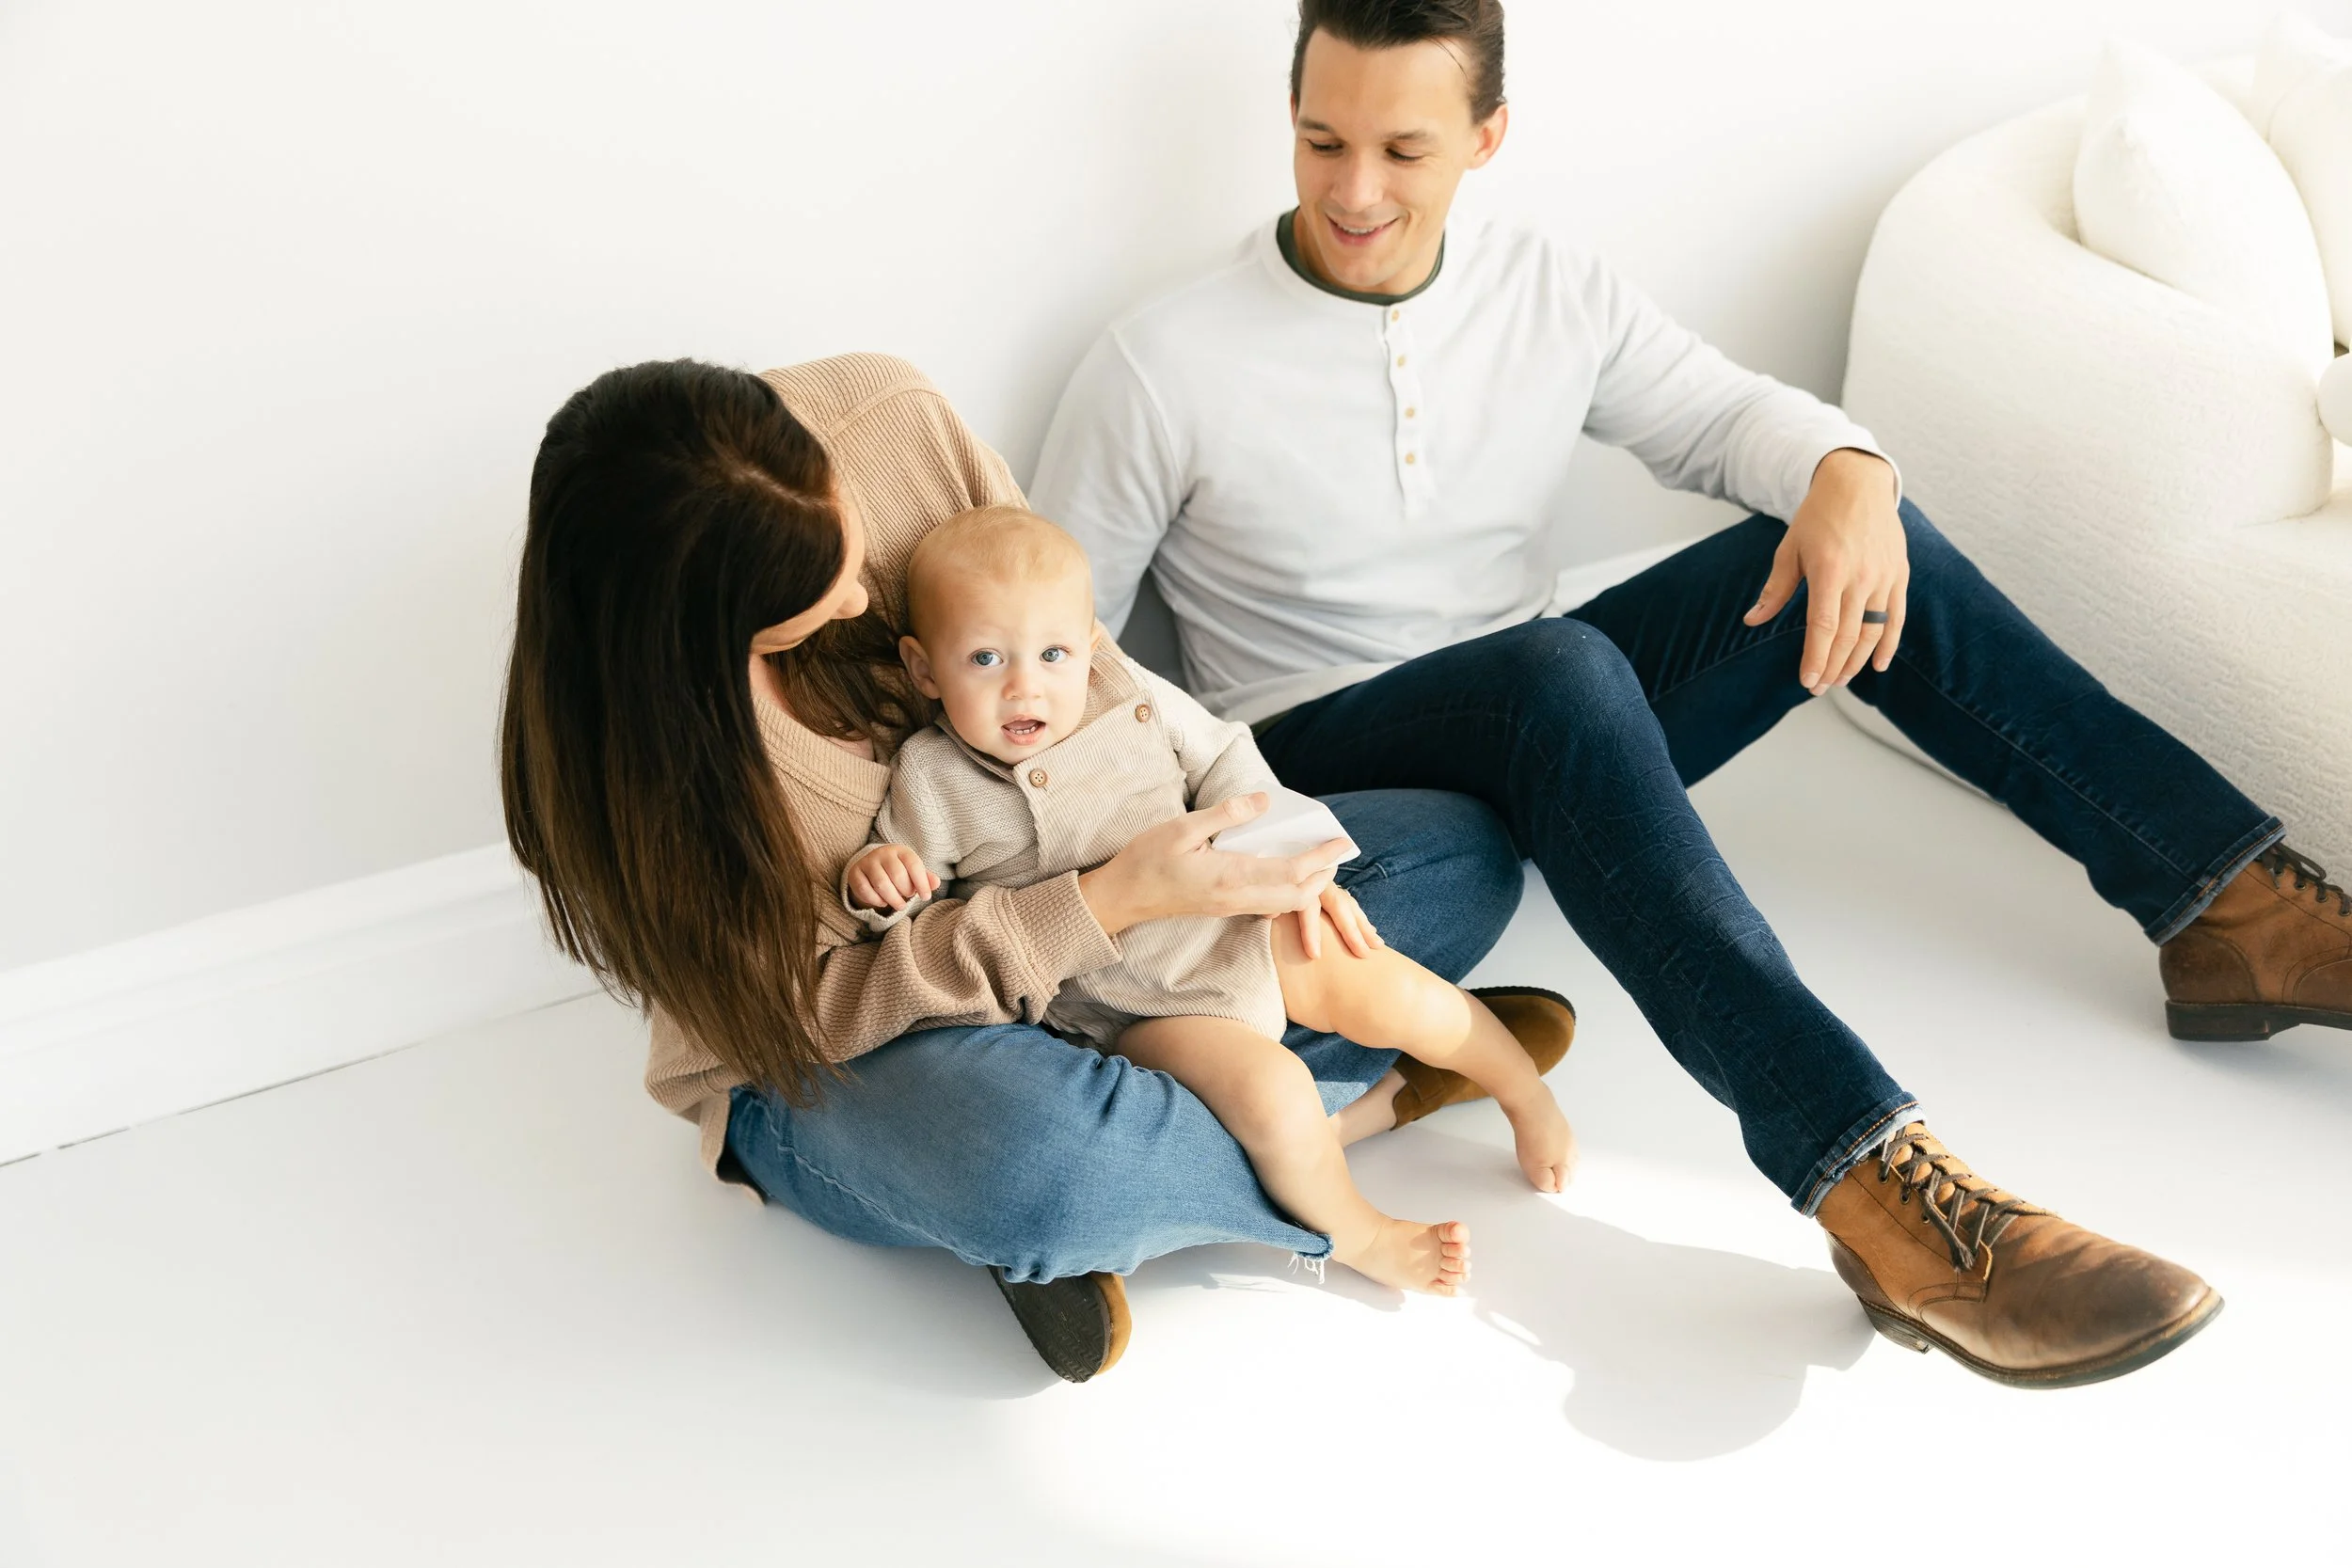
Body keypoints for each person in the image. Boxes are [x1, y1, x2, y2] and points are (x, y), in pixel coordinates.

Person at [1030, 0, 2348, 1386]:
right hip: (1318, 754)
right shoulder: (1161, 360)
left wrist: (1851, 474)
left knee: (1852, 534)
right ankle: (1867, 1172)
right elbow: (1070, 663)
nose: (1355, 190)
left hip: (1547, 715)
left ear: (1486, 138)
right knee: (1559, 665)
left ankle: (2230, 905)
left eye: (1403, 150)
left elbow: (1729, 418)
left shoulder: (1548, 289)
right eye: (1321, 139)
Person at [500, 355, 1578, 1382]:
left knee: (1457, 858)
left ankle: (1189, 1162)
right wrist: (1109, 900)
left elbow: (1091, 663)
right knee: (1045, 1163)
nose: (861, 589)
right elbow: (810, 1011)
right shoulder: (657, 770)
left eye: (841, 512)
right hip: (844, 1040)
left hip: (1133, 965)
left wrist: (1267, 857)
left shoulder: (888, 424)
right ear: (713, 630)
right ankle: (1331, 1131)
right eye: (813, 589)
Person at [840, 504, 1577, 1294]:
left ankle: (1522, 1091)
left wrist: (1293, 859)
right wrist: (884, 878)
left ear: (1090, 650)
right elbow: (913, 900)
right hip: (1135, 1010)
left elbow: (1226, 753)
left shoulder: (1128, 693)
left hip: (1235, 923)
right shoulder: (933, 776)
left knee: (1394, 988)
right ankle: (1361, 1232)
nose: (1026, 685)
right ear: (924, 670)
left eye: (1052, 653)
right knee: (1271, 1091)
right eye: (984, 658)